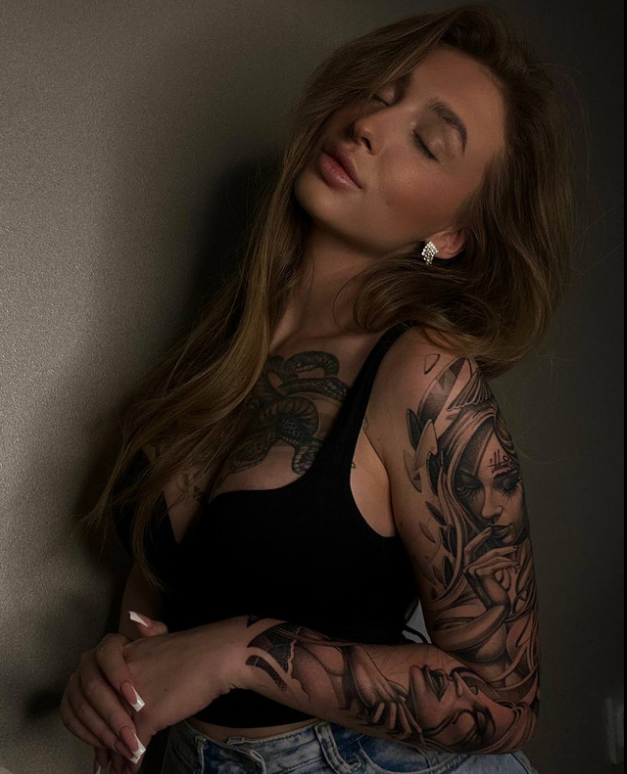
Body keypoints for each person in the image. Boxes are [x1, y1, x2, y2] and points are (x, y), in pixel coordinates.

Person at [60, 4, 576, 773]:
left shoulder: (423, 378)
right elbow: (156, 604)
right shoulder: (211, 362)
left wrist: (240, 652)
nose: (367, 125)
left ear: (450, 235)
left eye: (427, 141)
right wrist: (114, 686)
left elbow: (504, 702)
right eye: (378, 94)